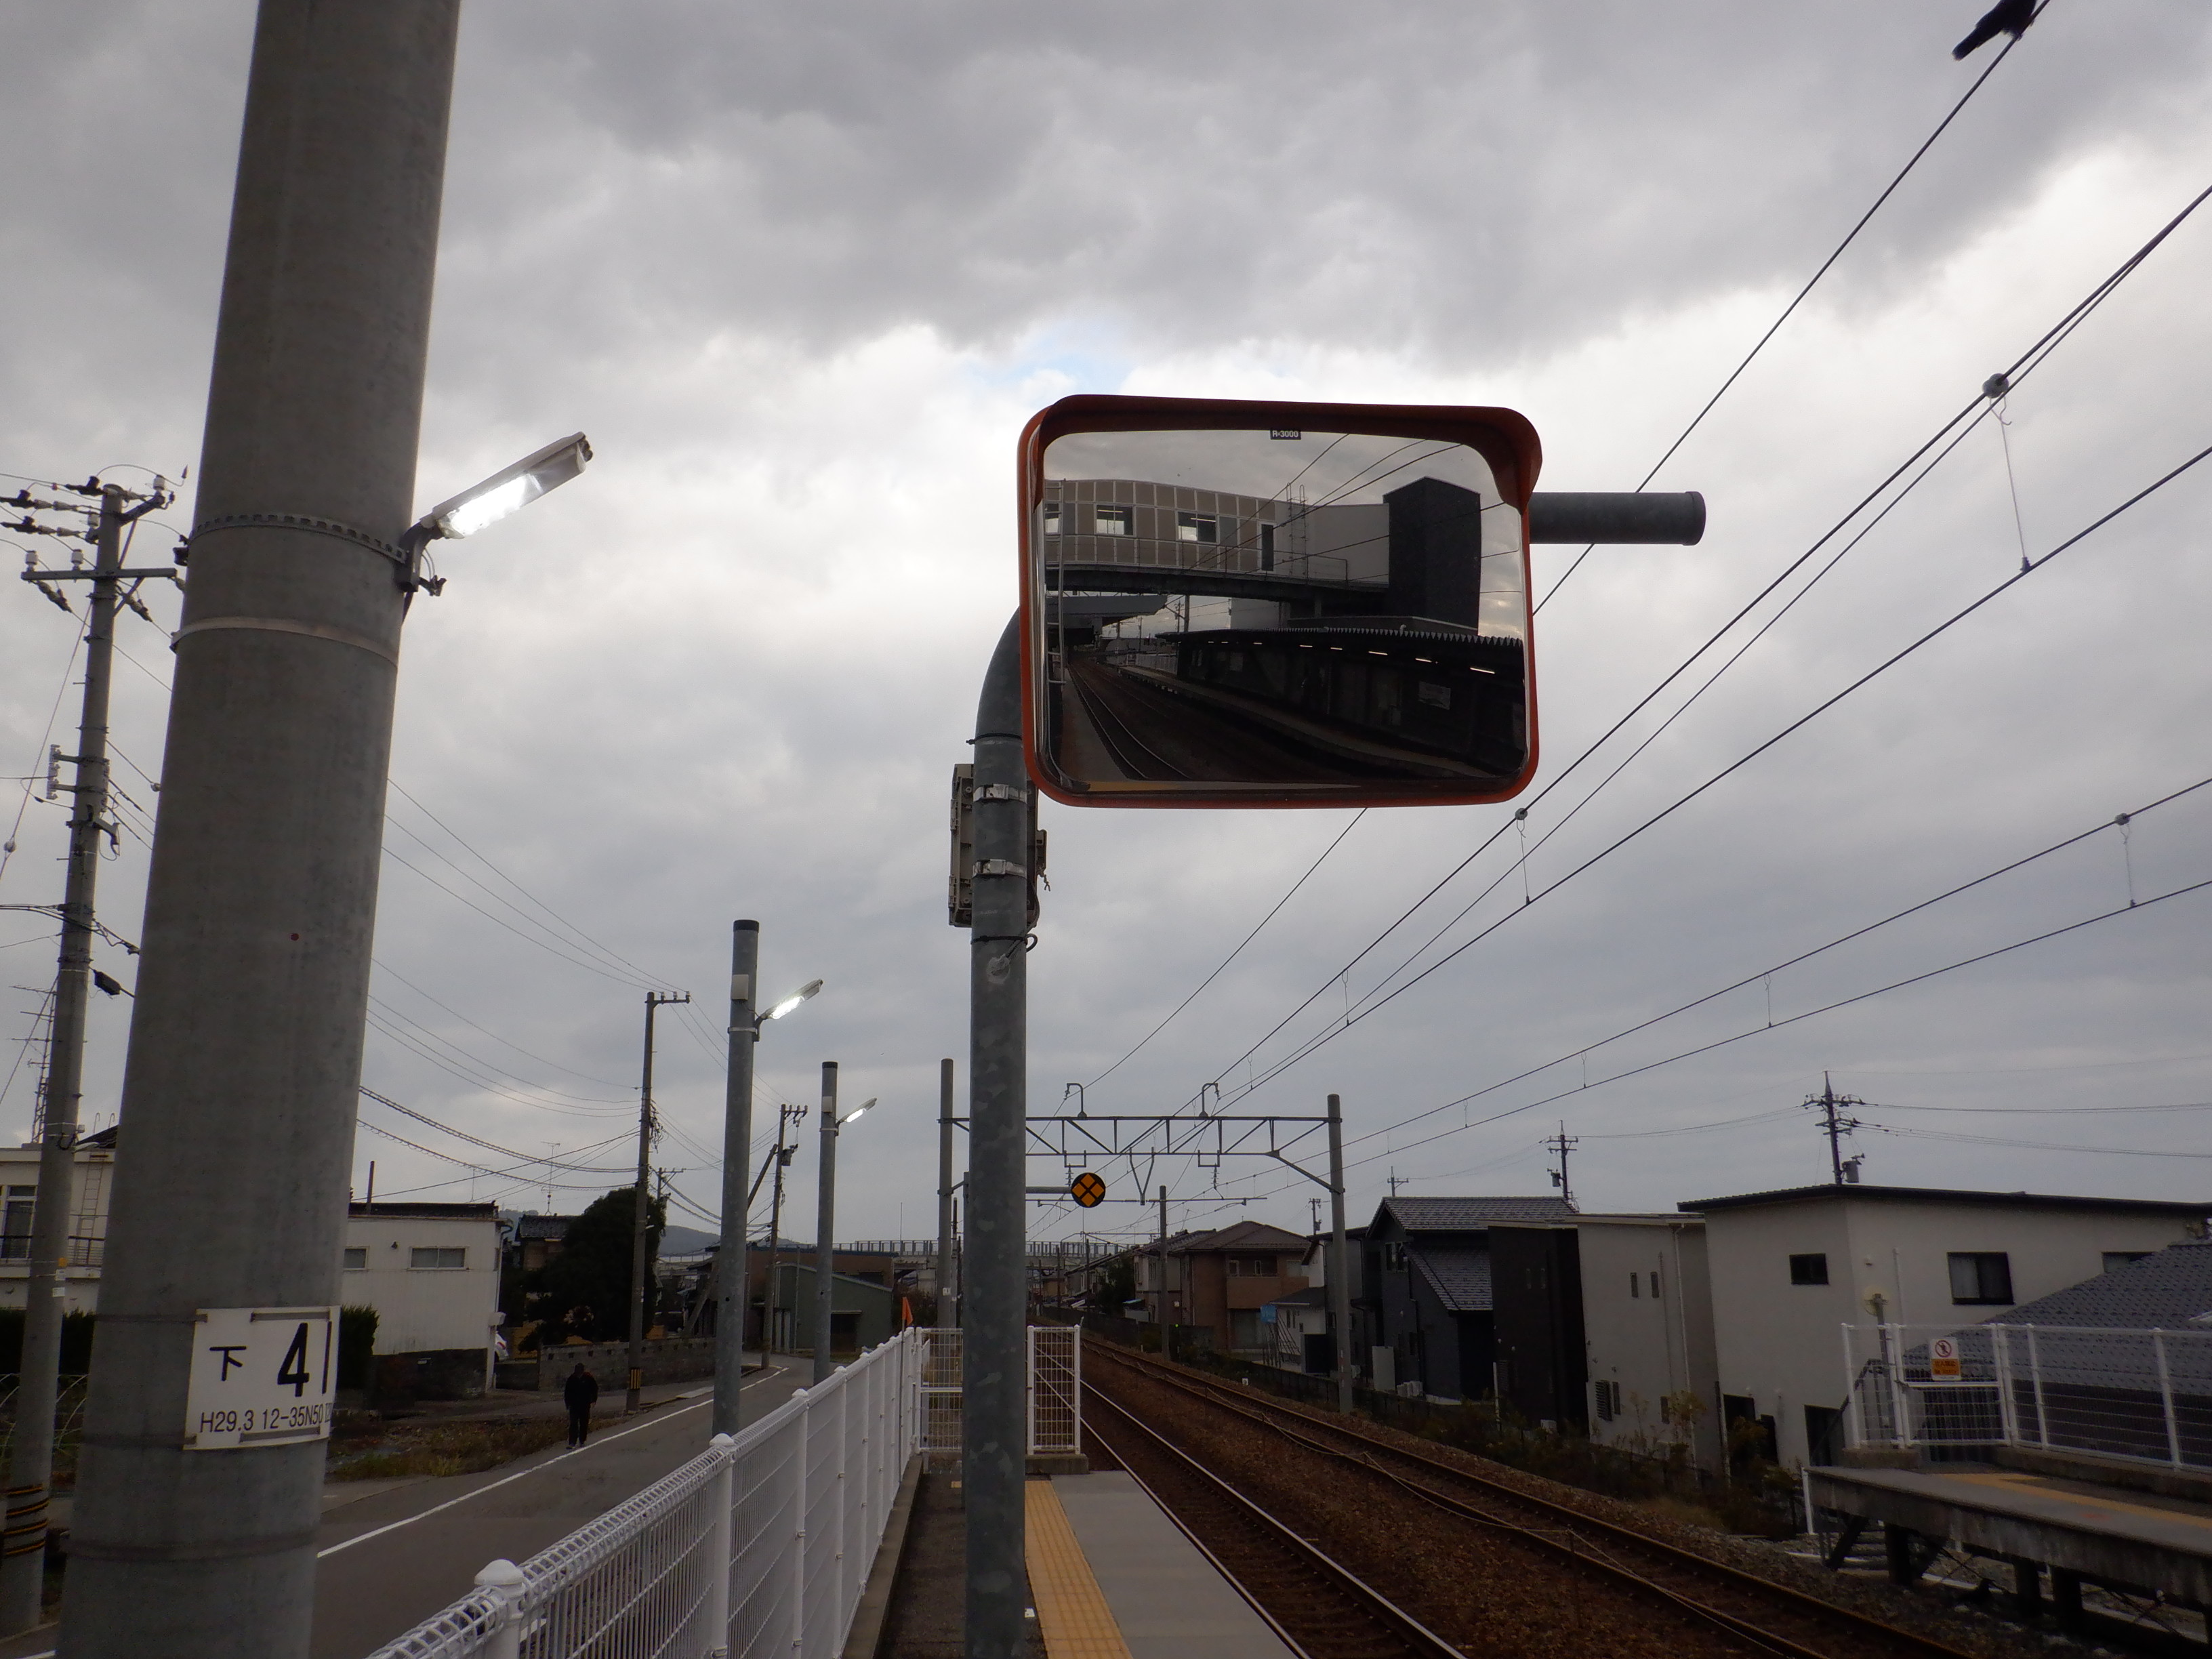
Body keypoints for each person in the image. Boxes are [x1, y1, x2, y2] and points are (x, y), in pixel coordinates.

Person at [564, 1361, 599, 1449]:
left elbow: (594, 1389)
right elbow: (567, 1392)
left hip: (585, 1404)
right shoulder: (572, 1379)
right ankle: (572, 1442)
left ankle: (582, 1440)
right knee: (573, 1423)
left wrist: (593, 1400)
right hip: (574, 1405)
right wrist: (567, 1403)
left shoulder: (588, 1378)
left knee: (584, 1423)